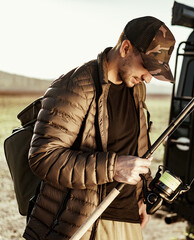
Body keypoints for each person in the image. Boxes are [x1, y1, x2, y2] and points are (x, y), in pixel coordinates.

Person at [23, 16, 175, 240]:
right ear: (125, 48)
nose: (148, 78)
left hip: (128, 220)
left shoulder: (136, 90)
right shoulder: (75, 86)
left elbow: (137, 145)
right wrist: (113, 168)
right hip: (84, 222)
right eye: (147, 66)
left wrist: (140, 198)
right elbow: (43, 157)